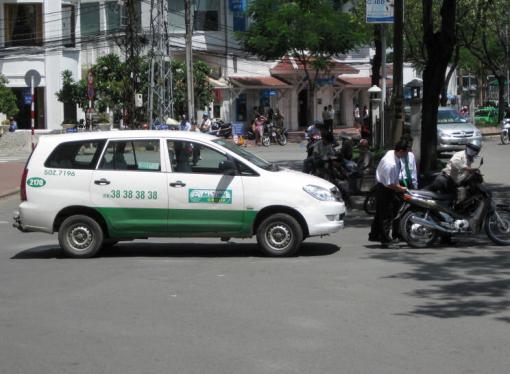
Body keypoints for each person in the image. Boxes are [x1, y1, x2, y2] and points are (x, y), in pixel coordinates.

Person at [368, 140, 409, 248]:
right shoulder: (391, 164)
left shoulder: (392, 153)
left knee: (381, 212)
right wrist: (402, 189)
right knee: (386, 214)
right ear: (400, 151)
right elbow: (390, 184)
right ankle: (385, 240)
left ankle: (375, 234)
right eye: (406, 153)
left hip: (385, 186)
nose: (406, 155)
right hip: (385, 188)